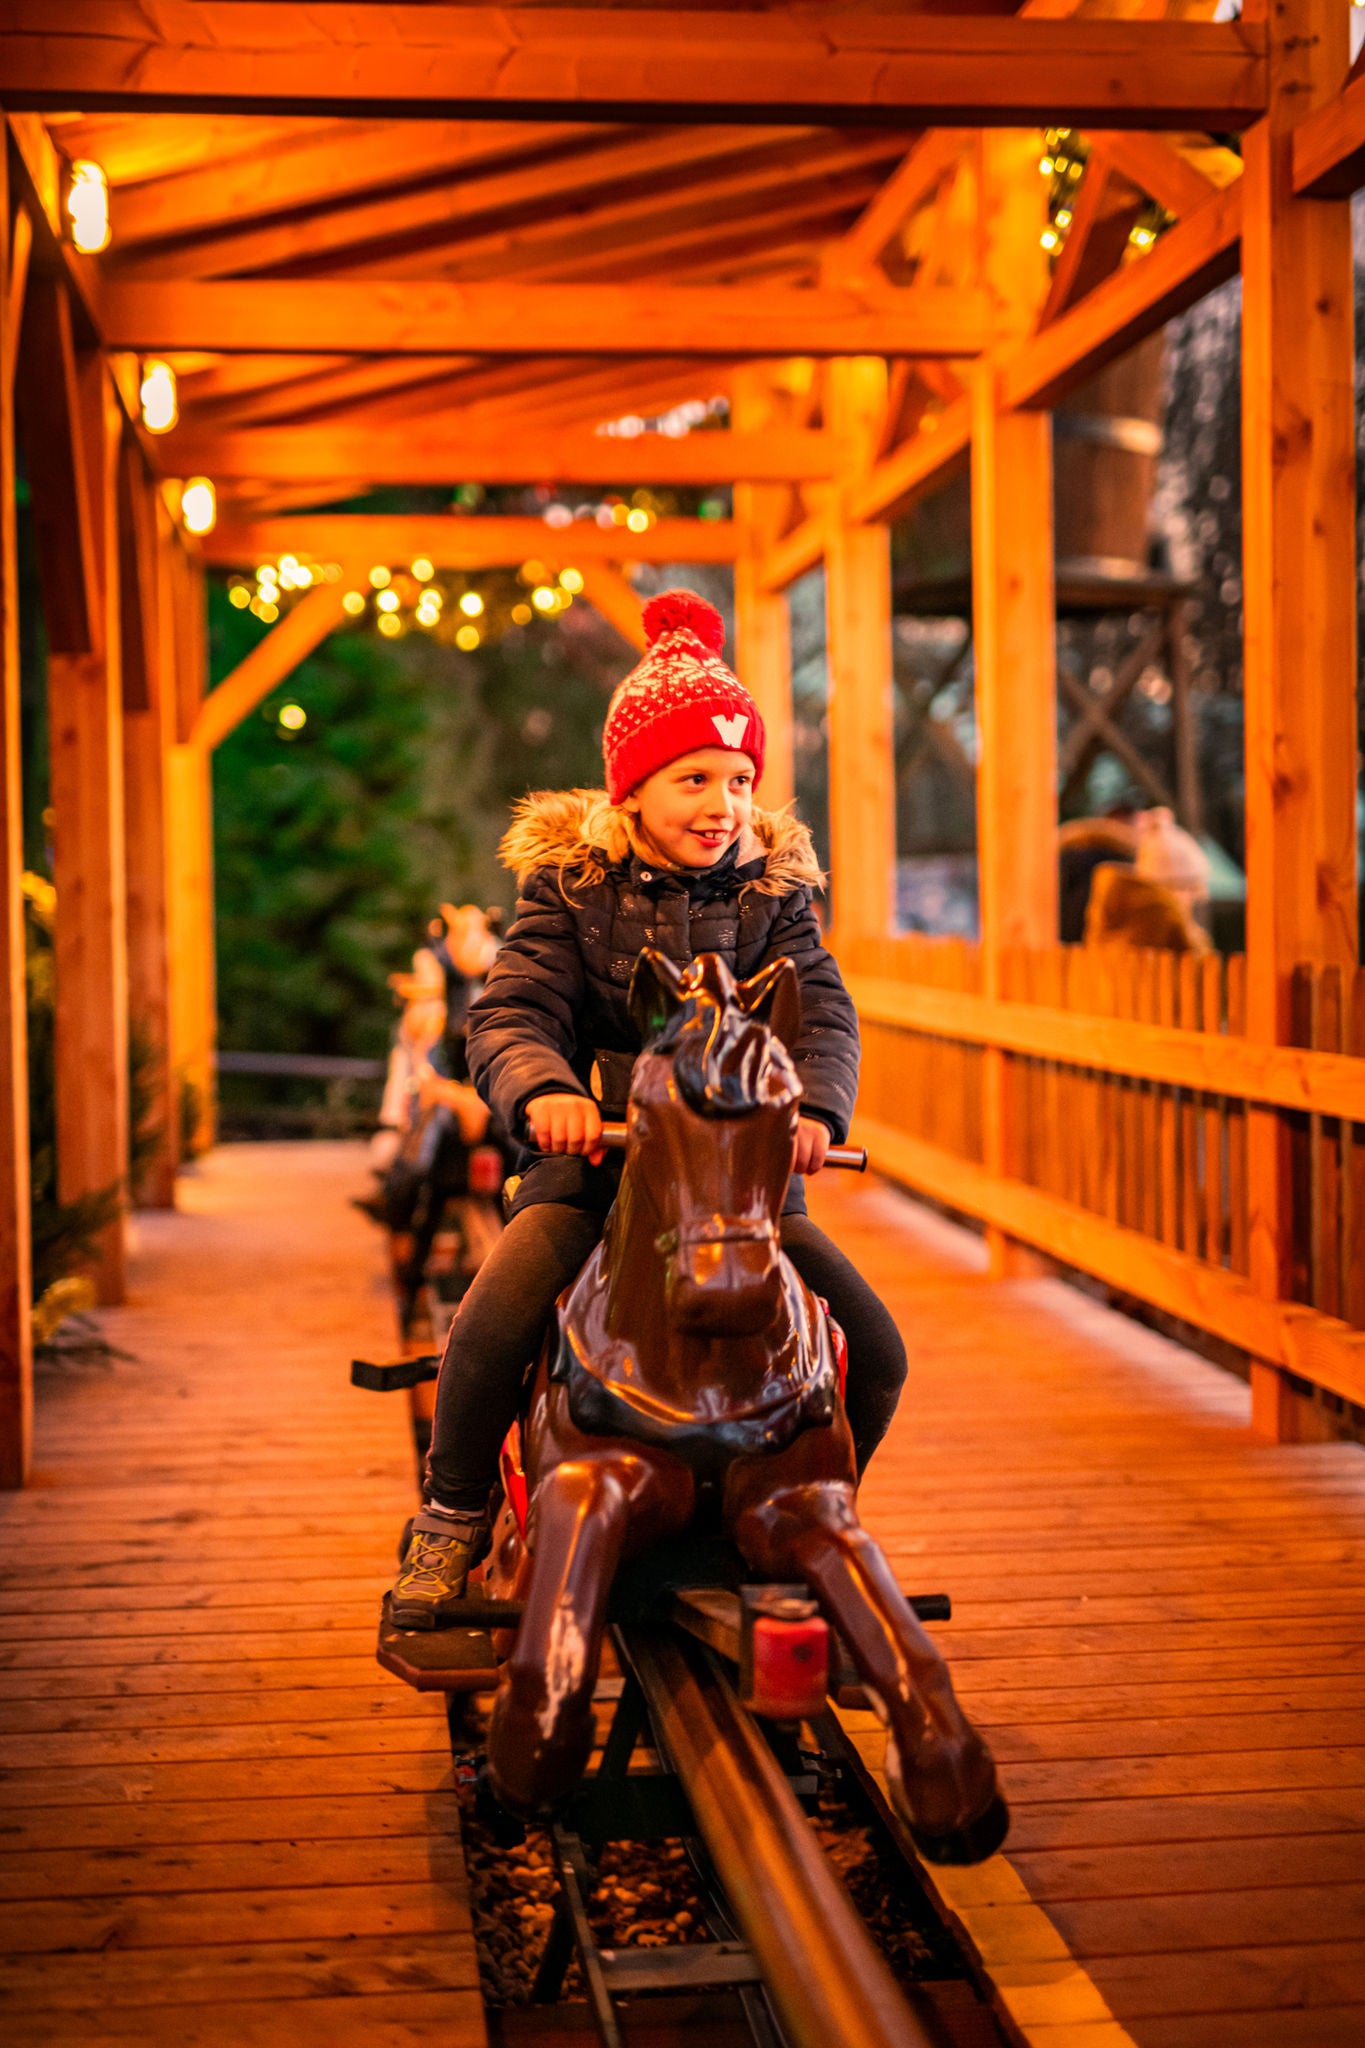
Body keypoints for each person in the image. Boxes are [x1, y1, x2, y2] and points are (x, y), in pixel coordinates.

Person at [390, 589, 908, 1627]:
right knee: (498, 1309)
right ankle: (452, 1513)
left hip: (737, 1179)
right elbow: (513, 1008)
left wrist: (813, 1108)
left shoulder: (775, 897)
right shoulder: (568, 891)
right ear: (629, 791)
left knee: (874, 1345)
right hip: (603, 1163)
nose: (723, 803)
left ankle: (804, 1499)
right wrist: (544, 1091)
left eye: (740, 778)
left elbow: (824, 1017)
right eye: (694, 779)